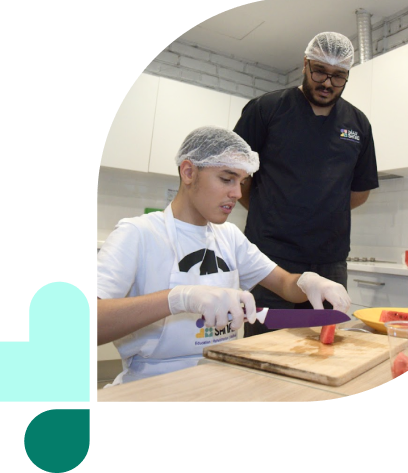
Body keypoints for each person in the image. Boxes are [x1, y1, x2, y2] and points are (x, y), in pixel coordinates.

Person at [97, 126, 351, 385]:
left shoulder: (229, 236)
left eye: (242, 182)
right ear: (188, 172)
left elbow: (285, 284)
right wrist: (178, 299)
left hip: (223, 376)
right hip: (151, 383)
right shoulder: (139, 233)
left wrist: (308, 282)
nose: (238, 193)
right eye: (227, 179)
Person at [233, 31, 379, 338]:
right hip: (270, 260)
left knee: (322, 348)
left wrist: (321, 210)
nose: (327, 82)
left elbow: (359, 192)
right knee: (264, 349)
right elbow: (236, 177)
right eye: (319, 71)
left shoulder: (358, 124)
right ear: (304, 64)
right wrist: (272, 210)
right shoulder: (266, 109)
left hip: (330, 262)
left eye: (338, 76)